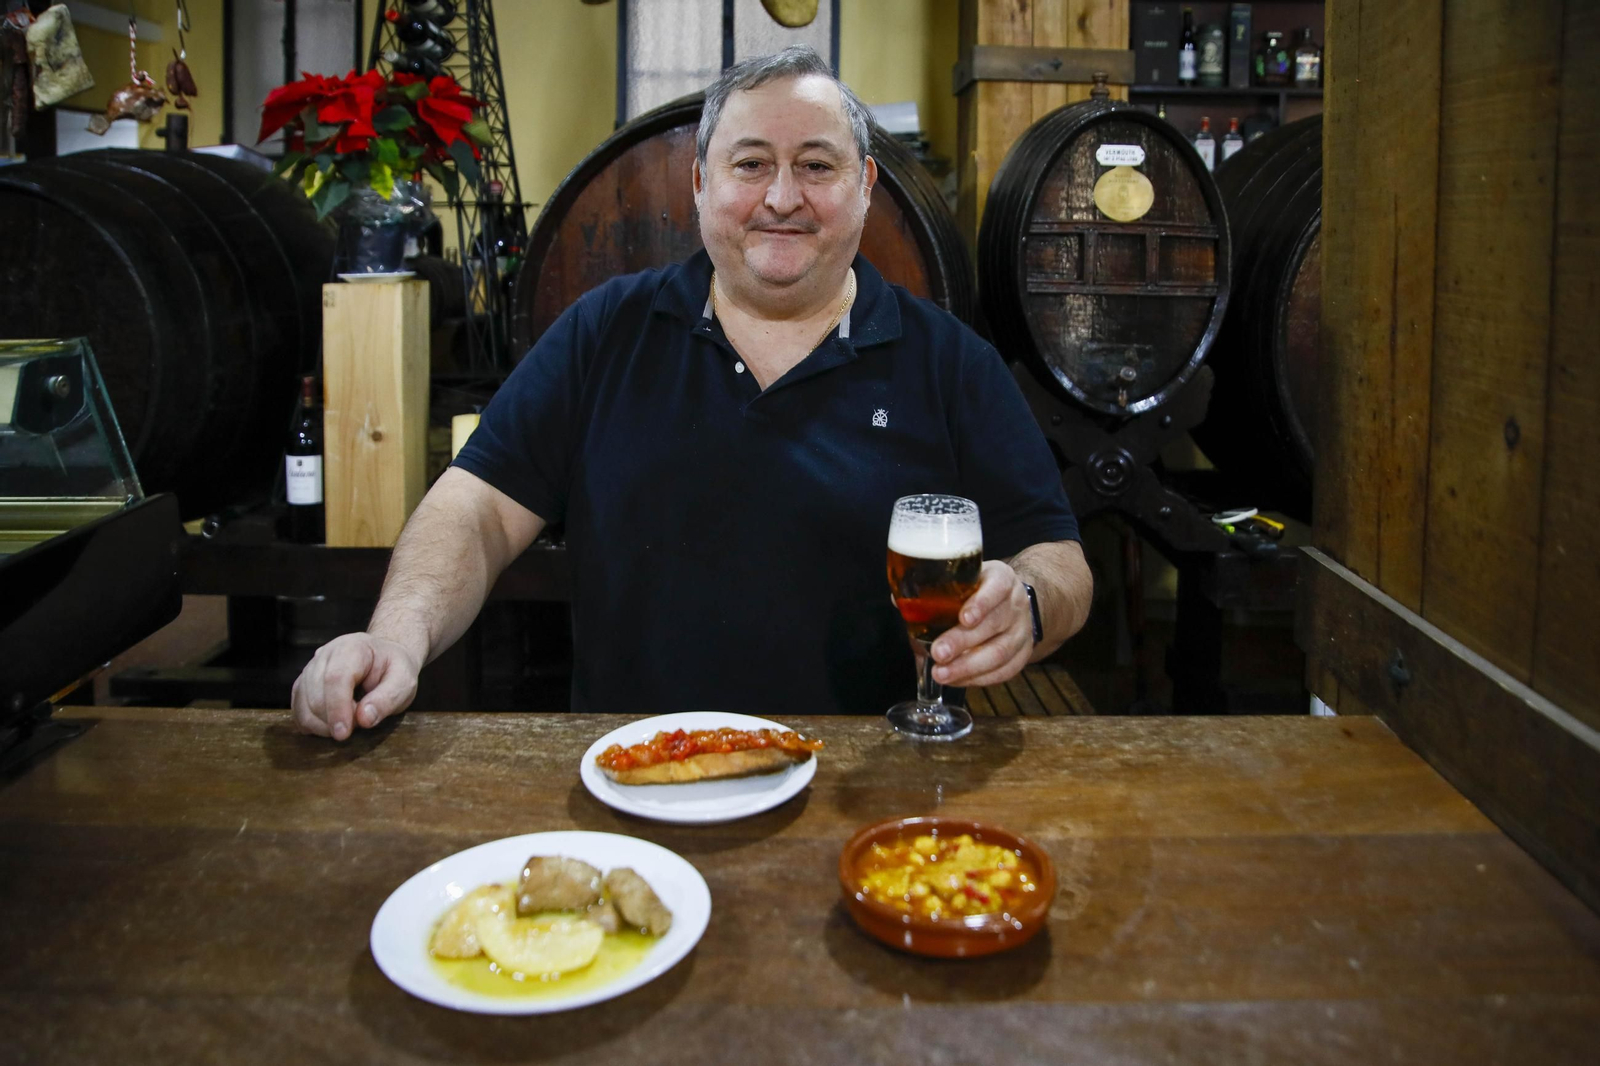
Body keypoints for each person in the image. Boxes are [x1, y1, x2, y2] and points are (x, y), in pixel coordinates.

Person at [292, 46, 1093, 740]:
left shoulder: (951, 361)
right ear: (702, 185)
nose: (782, 198)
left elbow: (1059, 559)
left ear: (865, 186)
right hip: (635, 775)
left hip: (872, 781)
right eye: (751, 165)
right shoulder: (605, 330)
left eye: (817, 165)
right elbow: (476, 509)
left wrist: (1024, 603)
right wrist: (395, 638)